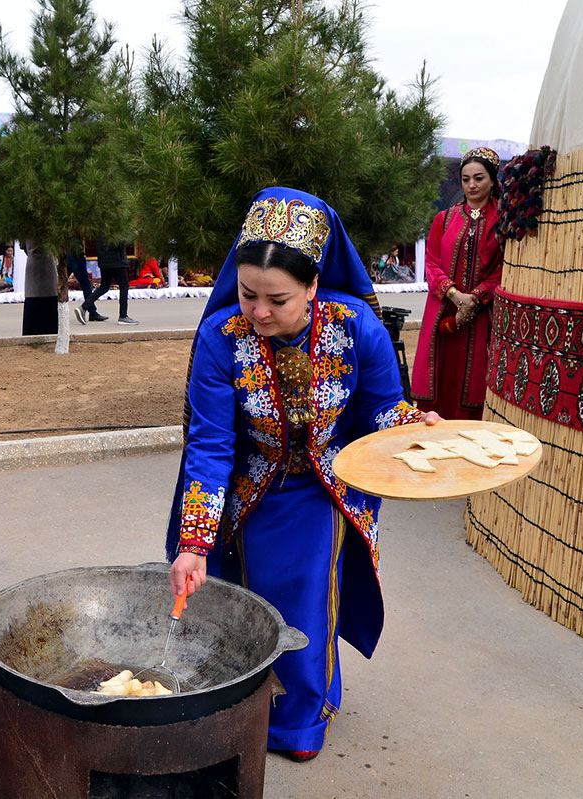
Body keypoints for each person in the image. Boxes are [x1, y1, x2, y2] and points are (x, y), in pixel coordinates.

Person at [165, 187, 440, 763]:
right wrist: (195, 543)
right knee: (232, 596)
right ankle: (236, 706)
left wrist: (415, 426)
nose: (258, 312)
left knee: (307, 598)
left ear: (314, 286)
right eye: (247, 294)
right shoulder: (221, 339)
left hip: (325, 485)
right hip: (245, 487)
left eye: (278, 299)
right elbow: (212, 445)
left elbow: (381, 411)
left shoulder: (355, 324)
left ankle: (296, 723)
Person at [411, 147, 504, 420]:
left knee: (473, 381)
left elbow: (502, 270)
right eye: (466, 179)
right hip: (443, 309)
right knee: (440, 378)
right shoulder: (444, 219)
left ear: (492, 180)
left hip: (480, 316)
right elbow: (431, 263)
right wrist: (455, 296)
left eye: (479, 178)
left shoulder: (502, 222)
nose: (472, 185)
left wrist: (474, 298)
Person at [78, 237, 137, 325]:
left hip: (104, 262)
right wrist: (131, 235)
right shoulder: (116, 228)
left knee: (104, 287)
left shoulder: (102, 229)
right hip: (117, 261)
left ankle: (83, 307)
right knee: (124, 286)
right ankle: (123, 316)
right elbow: (119, 243)